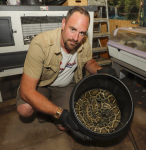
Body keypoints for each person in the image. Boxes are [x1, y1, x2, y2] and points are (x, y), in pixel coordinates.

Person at [16, 6, 117, 134]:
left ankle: (48, 106)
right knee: (25, 109)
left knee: (66, 126)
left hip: (65, 85)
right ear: (63, 23)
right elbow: (26, 91)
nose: (76, 38)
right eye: (73, 29)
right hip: (42, 84)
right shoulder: (40, 44)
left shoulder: (84, 42)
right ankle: (47, 108)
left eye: (82, 33)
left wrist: (101, 70)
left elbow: (88, 62)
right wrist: (60, 113)